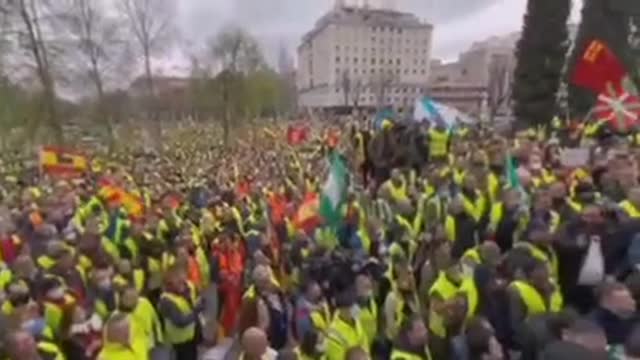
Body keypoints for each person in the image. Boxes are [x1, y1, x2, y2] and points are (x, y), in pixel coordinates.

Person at [158, 265, 202, 360]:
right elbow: (180, 322)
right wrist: (196, 311)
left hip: (192, 335)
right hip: (179, 342)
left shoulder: (188, 287)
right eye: (178, 282)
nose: (182, 284)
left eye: (183, 280)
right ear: (169, 283)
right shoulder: (167, 300)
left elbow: (197, 299)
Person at [326, 288, 369, 360]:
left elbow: (364, 344)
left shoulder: (356, 321)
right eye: (352, 306)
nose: (356, 308)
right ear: (343, 310)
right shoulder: (334, 334)